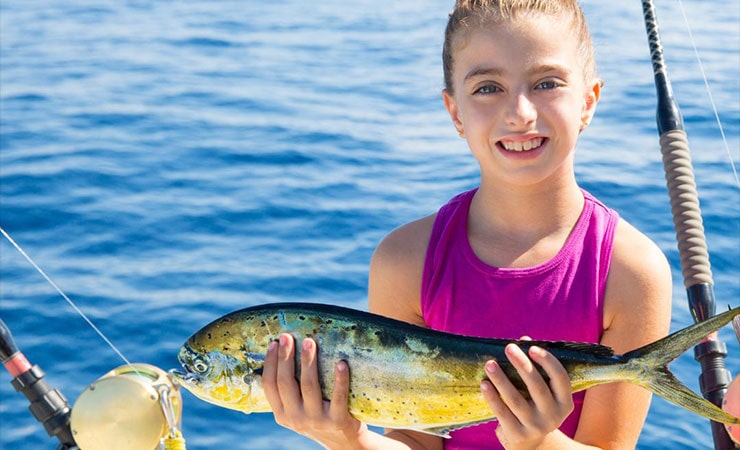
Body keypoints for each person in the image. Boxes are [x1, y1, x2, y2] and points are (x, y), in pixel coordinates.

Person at [261, 0, 673, 448]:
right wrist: (346, 436)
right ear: (454, 111)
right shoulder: (404, 260)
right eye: (487, 88)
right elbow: (418, 441)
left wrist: (540, 442)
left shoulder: (632, 271)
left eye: (546, 83)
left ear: (589, 101)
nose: (520, 113)